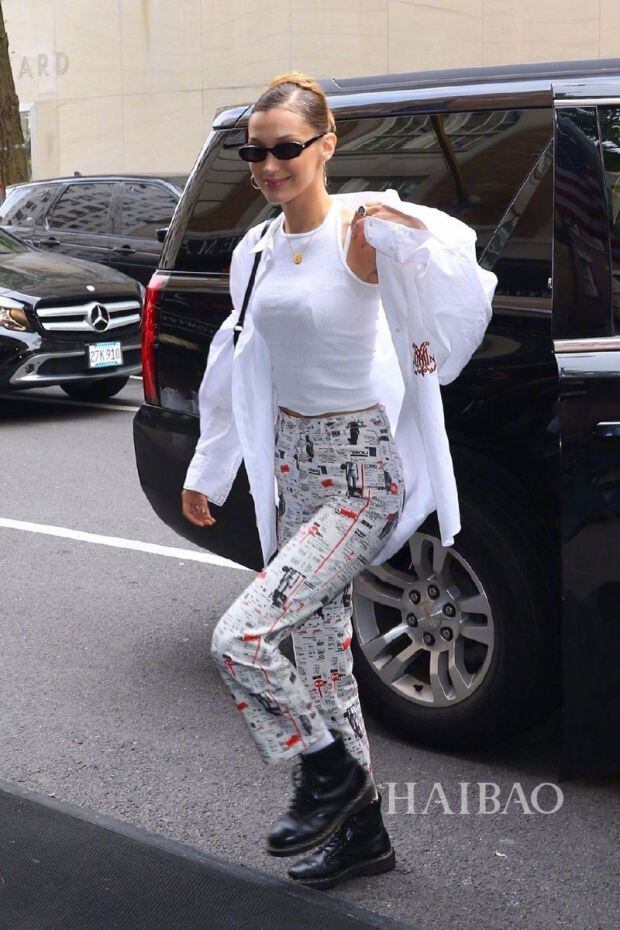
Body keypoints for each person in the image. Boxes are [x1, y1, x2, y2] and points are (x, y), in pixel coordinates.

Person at [181, 70, 496, 890]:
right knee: (323, 668)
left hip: (359, 475)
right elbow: (237, 358)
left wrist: (410, 231)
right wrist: (211, 468)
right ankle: (365, 836)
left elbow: (462, 285)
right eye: (255, 151)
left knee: (241, 638)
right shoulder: (255, 249)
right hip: (291, 469)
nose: (268, 165)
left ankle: (324, 774)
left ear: (326, 145)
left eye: (286, 148)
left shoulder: (363, 231)